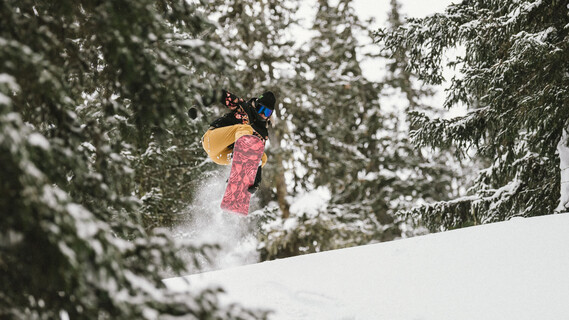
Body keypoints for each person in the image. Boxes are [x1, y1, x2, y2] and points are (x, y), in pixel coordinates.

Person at [201, 89, 276, 193]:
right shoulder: (244, 107)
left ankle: (241, 180)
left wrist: (256, 180)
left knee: (263, 157)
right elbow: (220, 94)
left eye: (267, 112)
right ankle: (239, 159)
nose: (263, 114)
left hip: (222, 155)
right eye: (261, 109)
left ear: (270, 115)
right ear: (256, 104)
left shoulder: (263, 133)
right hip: (213, 139)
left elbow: (257, 156)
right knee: (246, 129)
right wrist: (200, 104)